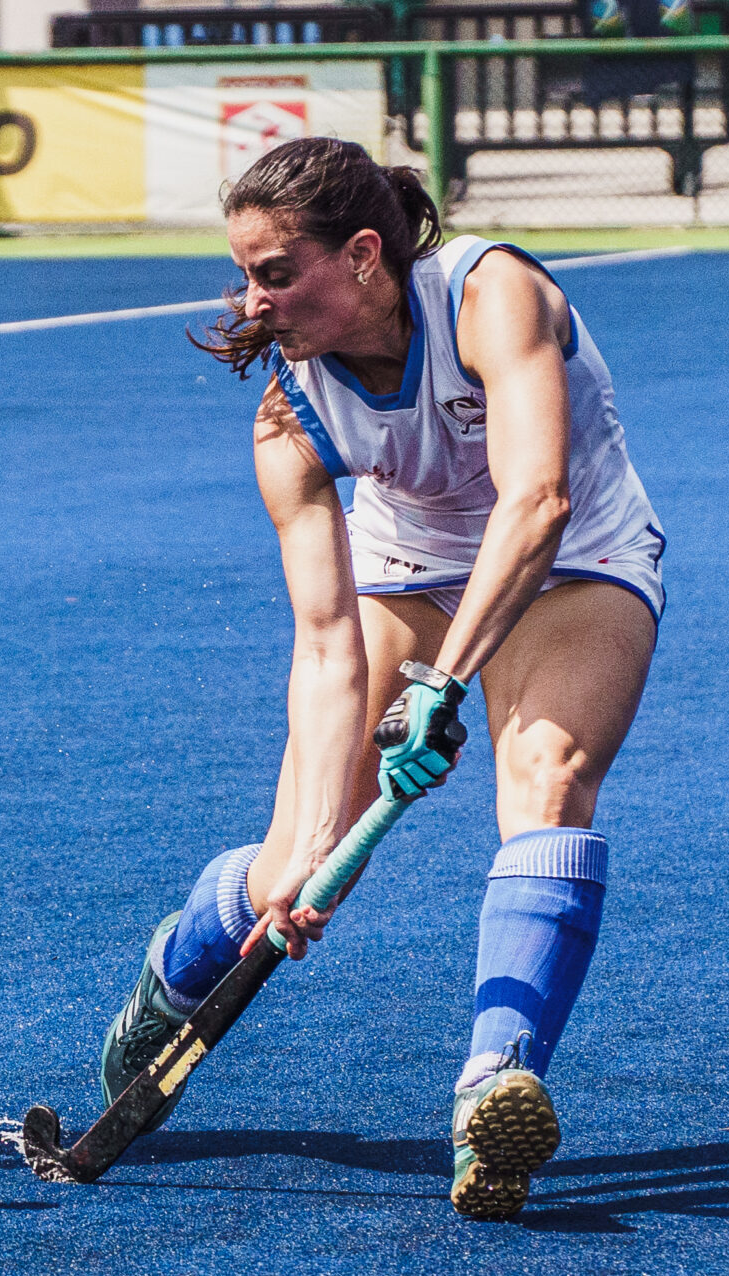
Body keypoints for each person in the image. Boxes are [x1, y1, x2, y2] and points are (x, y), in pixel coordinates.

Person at [95, 137, 664, 1221]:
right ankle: (174, 970)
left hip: (574, 553)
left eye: (273, 272)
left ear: (362, 255)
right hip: (405, 574)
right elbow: (322, 640)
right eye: (242, 272)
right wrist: (312, 848)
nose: (249, 299)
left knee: (543, 775)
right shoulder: (290, 417)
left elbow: (534, 500)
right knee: (290, 878)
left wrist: (442, 686)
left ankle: (489, 1091)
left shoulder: (493, 295)